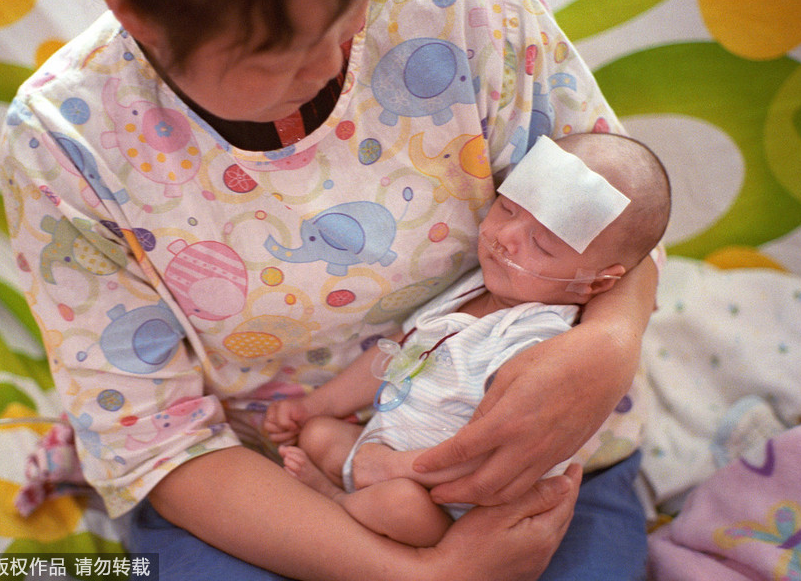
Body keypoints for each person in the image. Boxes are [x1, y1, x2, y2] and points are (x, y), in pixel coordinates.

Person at [0, 0, 662, 577]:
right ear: (134, 15)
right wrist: (425, 573)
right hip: (261, 482)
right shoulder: (66, 143)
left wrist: (610, 341)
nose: (334, 62)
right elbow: (157, 443)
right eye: (279, 54)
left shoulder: (473, 14)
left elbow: (620, 217)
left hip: (544, 462)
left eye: (352, 10)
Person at [265, 132, 671, 551]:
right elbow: (395, 355)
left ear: (595, 282)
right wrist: (315, 405)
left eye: (542, 244)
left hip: (443, 500)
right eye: (508, 206)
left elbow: (487, 453)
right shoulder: (473, 290)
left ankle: (334, 499)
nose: (507, 235)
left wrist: (396, 468)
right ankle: (353, 491)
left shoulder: (538, 340)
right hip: (380, 451)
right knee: (316, 433)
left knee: (398, 504)